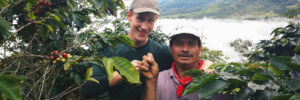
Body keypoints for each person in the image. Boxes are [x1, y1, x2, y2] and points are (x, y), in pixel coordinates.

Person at [80, 0, 174, 99]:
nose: (144, 27)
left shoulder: (162, 52)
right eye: (140, 19)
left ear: (155, 20)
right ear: (129, 16)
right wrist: (124, 72)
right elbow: (87, 90)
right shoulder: (109, 49)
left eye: (150, 20)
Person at [137, 26, 232, 100]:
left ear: (199, 49)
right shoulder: (158, 79)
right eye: (179, 44)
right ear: (170, 49)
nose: (185, 49)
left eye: (191, 44)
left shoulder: (216, 79)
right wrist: (150, 81)